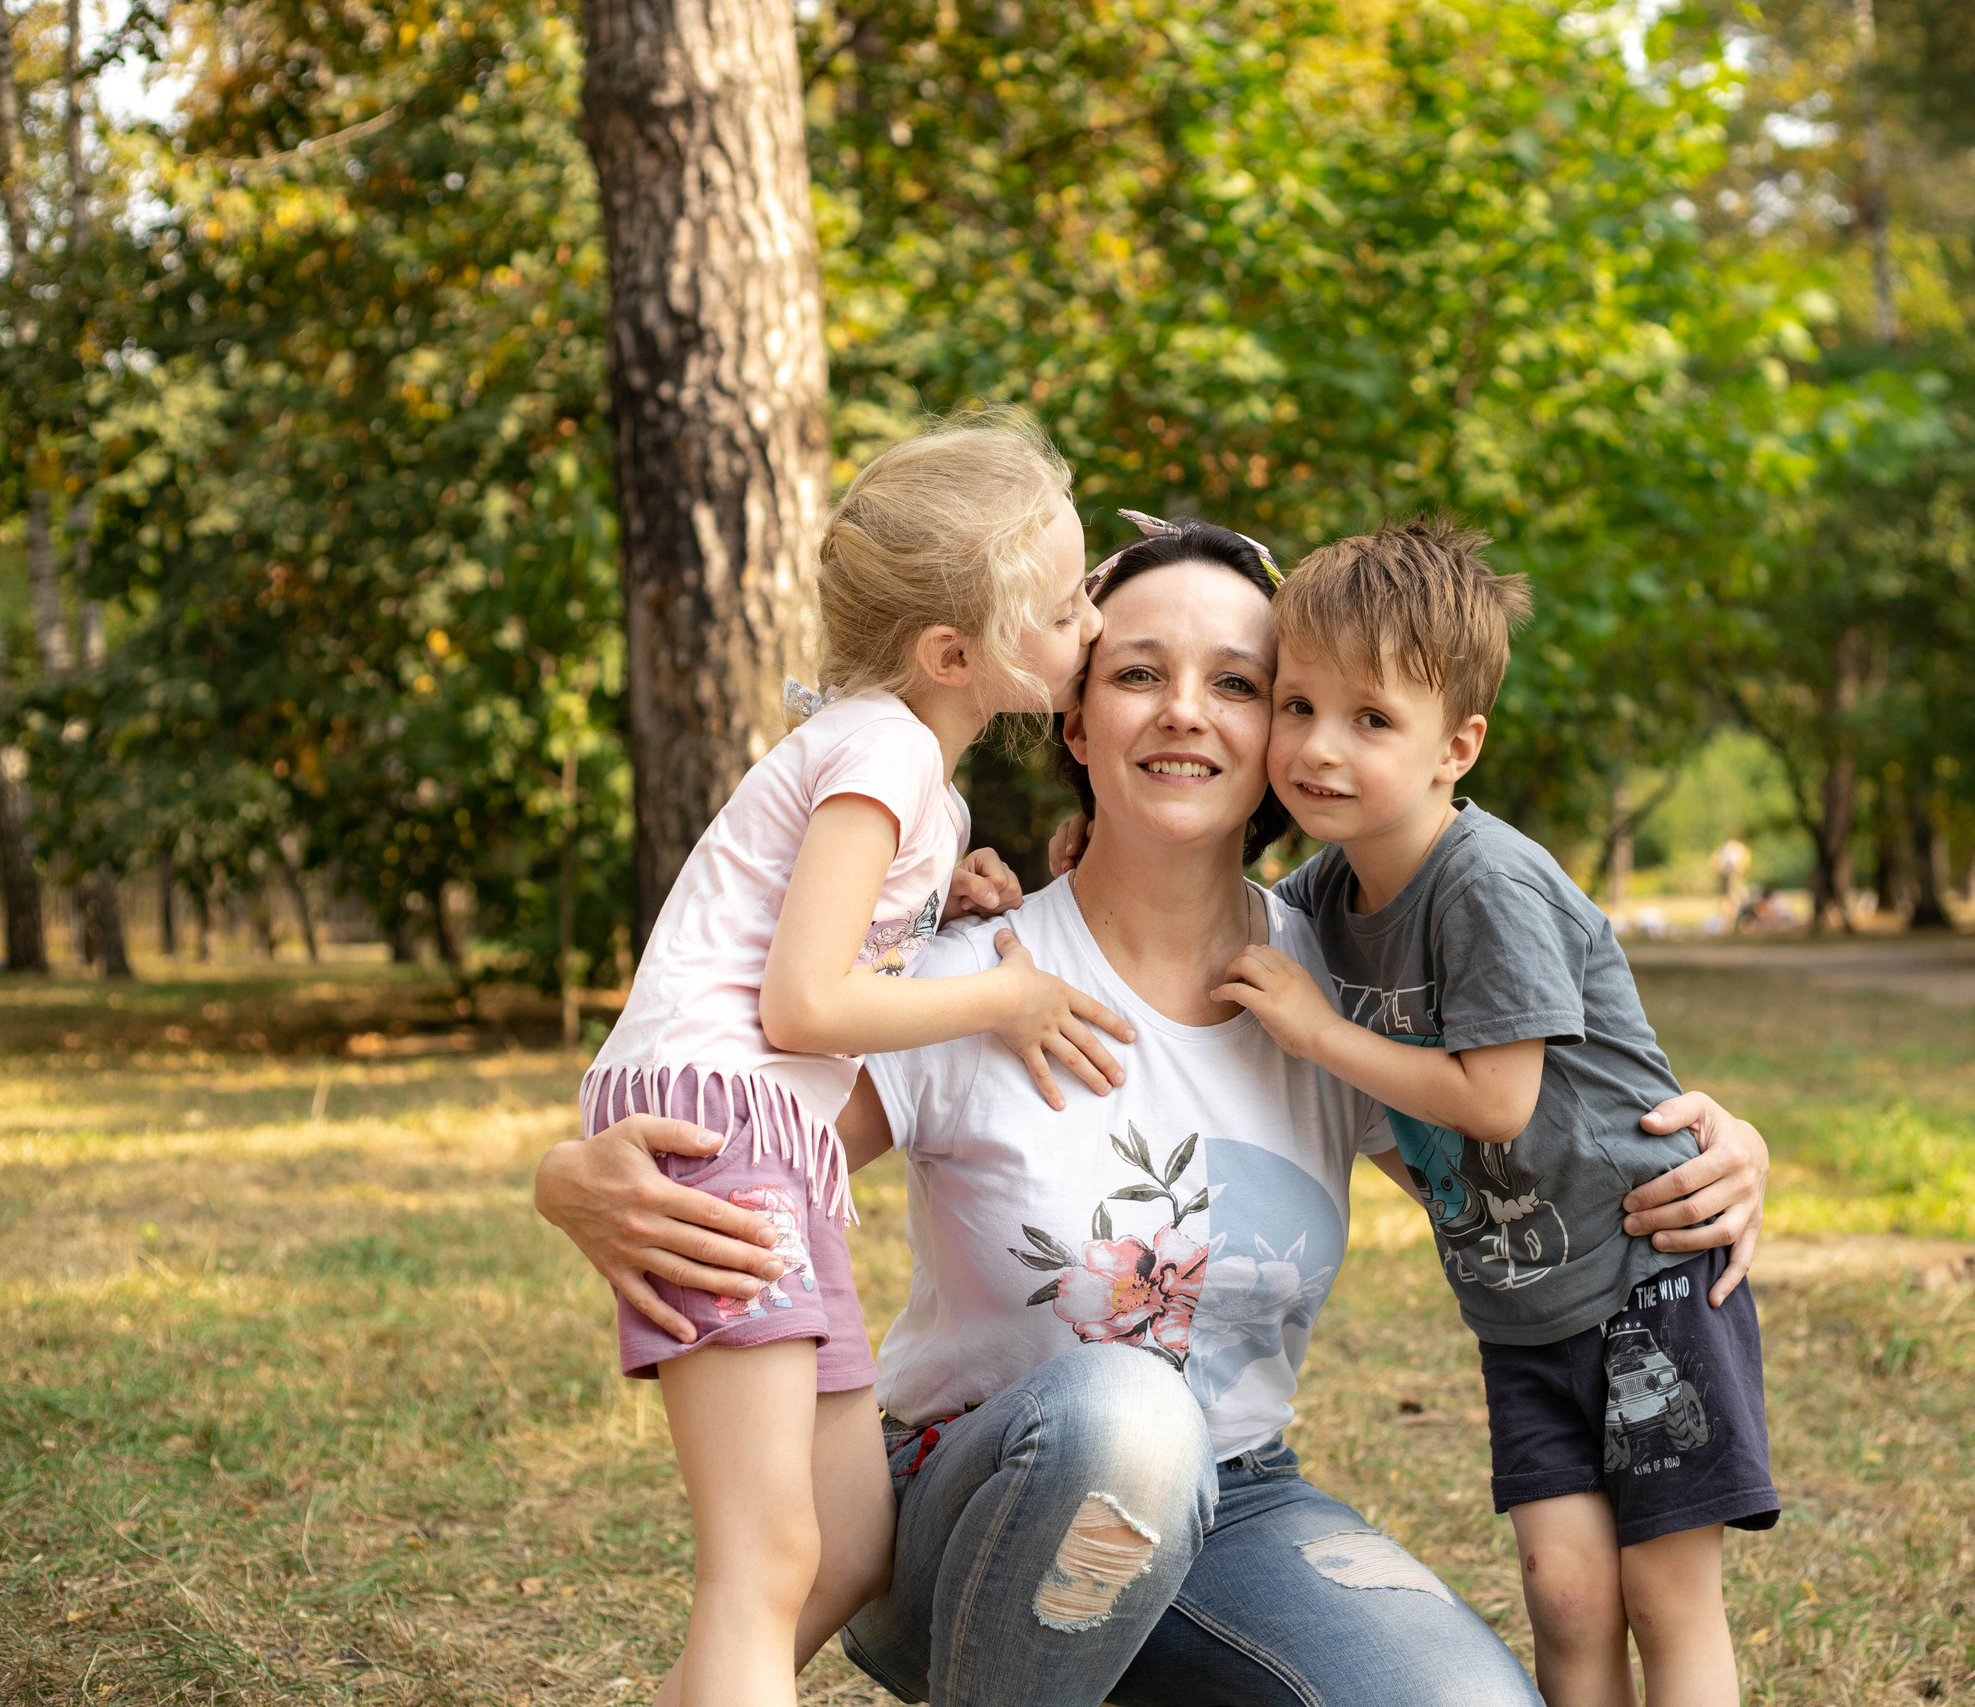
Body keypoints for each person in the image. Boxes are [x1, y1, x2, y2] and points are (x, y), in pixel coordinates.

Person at [537, 512, 1774, 1707]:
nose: (1186, 710)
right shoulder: (971, 982)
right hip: (958, 1506)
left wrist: (1715, 1150)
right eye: (1138, 671)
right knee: (1128, 1406)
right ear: (1074, 717)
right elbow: (750, 1136)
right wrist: (568, 1180)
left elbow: (1508, 1154)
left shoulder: (1329, 992)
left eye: (1239, 684)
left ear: (1284, 734)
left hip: (1238, 1509)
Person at [578, 412, 1135, 1707]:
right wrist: (999, 988)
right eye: (1062, 610)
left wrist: (939, 906)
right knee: (765, 1557)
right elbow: (807, 998)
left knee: (844, 1539)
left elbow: (828, 940)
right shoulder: (884, 748)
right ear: (959, 651)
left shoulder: (915, 780)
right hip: (726, 1120)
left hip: (769, 1129)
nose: (1090, 629)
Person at [1210, 520, 1775, 1707]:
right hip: (1521, 1308)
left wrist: (1319, 1031)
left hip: (1647, 1271)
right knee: (1565, 1598)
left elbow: (1497, 1098)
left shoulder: (1487, 882)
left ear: (1454, 747)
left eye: (1372, 720)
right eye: (1298, 705)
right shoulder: (1323, 890)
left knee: (1665, 1595)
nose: (1317, 747)